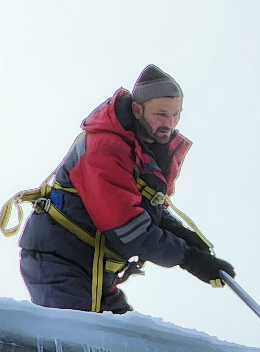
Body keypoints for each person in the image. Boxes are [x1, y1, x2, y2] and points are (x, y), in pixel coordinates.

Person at [17, 65, 234, 313]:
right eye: (161, 114)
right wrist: (188, 258)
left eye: (176, 115)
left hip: (98, 270)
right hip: (60, 263)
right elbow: (129, 229)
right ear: (137, 109)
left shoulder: (149, 153)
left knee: (132, 346)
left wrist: (185, 237)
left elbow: (150, 208)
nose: (170, 124)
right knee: (78, 342)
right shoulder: (105, 148)